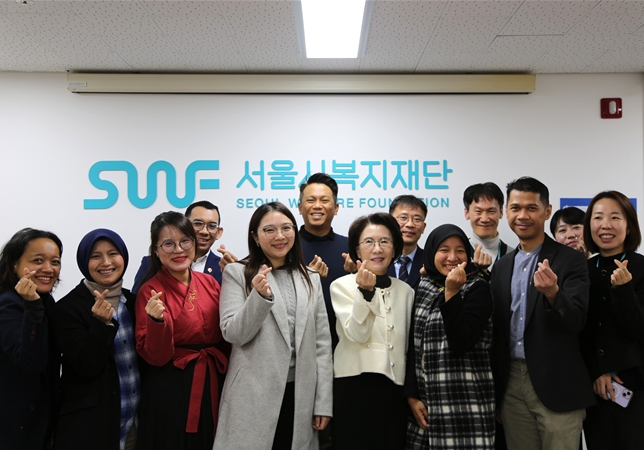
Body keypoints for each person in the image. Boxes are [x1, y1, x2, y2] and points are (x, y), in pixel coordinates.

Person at [214, 202, 333, 450]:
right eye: (269, 230)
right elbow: (233, 333)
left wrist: (323, 402)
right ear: (255, 237)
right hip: (253, 395)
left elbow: (322, 344)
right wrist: (258, 297)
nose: (279, 236)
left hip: (300, 396)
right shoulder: (237, 273)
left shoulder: (310, 277)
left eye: (286, 228)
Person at [490, 177, 594, 450]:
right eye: (515, 208)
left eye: (532, 208)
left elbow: (577, 321)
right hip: (511, 384)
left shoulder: (571, 260)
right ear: (506, 211)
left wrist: (553, 294)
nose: (522, 215)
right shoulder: (501, 267)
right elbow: (498, 331)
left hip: (558, 383)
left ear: (547, 212)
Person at [135, 211, 228, 450]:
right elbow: (155, 357)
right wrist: (157, 322)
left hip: (212, 379)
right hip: (170, 386)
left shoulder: (210, 283)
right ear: (156, 251)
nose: (178, 250)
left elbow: (228, 335)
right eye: (168, 244)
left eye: (185, 241)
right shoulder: (149, 290)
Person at [405, 224, 495, 449]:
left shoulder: (477, 288)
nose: (452, 258)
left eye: (460, 251)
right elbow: (411, 346)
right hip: (426, 404)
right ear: (431, 253)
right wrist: (412, 395)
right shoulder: (423, 286)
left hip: (465, 402)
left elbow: (461, 342)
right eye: (444, 250)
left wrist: (452, 293)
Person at [53, 229, 143, 450]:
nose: (106, 262)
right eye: (95, 256)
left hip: (136, 424)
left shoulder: (135, 302)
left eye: (113, 254)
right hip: (92, 429)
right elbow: (85, 366)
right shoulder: (67, 308)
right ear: (84, 261)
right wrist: (101, 325)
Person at [331, 213, 414, 450]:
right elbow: (357, 334)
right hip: (353, 387)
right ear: (357, 250)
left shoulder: (406, 291)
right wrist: (366, 293)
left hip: (394, 389)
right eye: (369, 242)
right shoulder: (342, 286)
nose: (377, 249)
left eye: (385, 241)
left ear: (395, 248)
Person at [580, 191, 644, 449]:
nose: (605, 225)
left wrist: (624, 290)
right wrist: (597, 372)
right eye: (598, 218)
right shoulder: (582, 271)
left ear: (629, 226)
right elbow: (578, 332)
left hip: (636, 388)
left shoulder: (641, 268)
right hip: (594, 389)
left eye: (615, 217)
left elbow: (638, 329)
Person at [0, 228, 62, 450]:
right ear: (14, 264)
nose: (48, 268)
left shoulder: (45, 301)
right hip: (13, 431)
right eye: (37, 260)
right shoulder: (8, 303)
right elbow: (30, 363)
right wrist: (33, 306)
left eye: (55, 262)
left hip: (39, 427)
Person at [132, 200, 237, 293]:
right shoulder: (151, 263)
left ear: (219, 232)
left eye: (212, 226)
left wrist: (237, 277)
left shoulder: (225, 267)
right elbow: (136, 302)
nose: (204, 232)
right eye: (198, 224)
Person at [298, 172, 348, 349]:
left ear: (336, 208)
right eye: (310, 200)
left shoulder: (351, 248)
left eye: (324, 200)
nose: (317, 206)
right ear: (300, 207)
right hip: (298, 342)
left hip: (345, 344)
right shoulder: (284, 248)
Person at [463, 182, 514, 271]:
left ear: (501, 212)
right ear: (467, 213)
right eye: (478, 211)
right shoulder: (459, 255)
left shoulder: (513, 256)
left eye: (491, 211)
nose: (485, 219)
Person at [388, 195, 427, 289]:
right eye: (403, 218)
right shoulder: (378, 259)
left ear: (423, 227)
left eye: (417, 219)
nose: (410, 224)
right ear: (390, 223)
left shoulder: (430, 261)